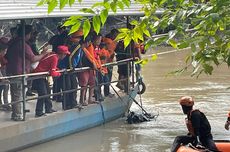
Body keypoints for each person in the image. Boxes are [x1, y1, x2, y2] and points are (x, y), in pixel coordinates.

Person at [5, 25, 48, 121]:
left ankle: (16, 112)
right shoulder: (22, 44)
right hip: (19, 72)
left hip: (12, 71)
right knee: (18, 94)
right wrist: (44, 54)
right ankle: (18, 115)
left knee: (15, 93)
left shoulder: (12, 42)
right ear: (27, 34)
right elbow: (33, 58)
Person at [33, 45, 70, 117]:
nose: (65, 56)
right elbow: (52, 73)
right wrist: (59, 73)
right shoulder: (55, 58)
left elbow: (51, 67)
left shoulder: (53, 55)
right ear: (62, 54)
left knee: (47, 91)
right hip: (38, 75)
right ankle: (39, 111)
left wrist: (57, 69)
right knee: (43, 94)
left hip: (42, 76)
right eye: (65, 54)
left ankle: (48, 108)